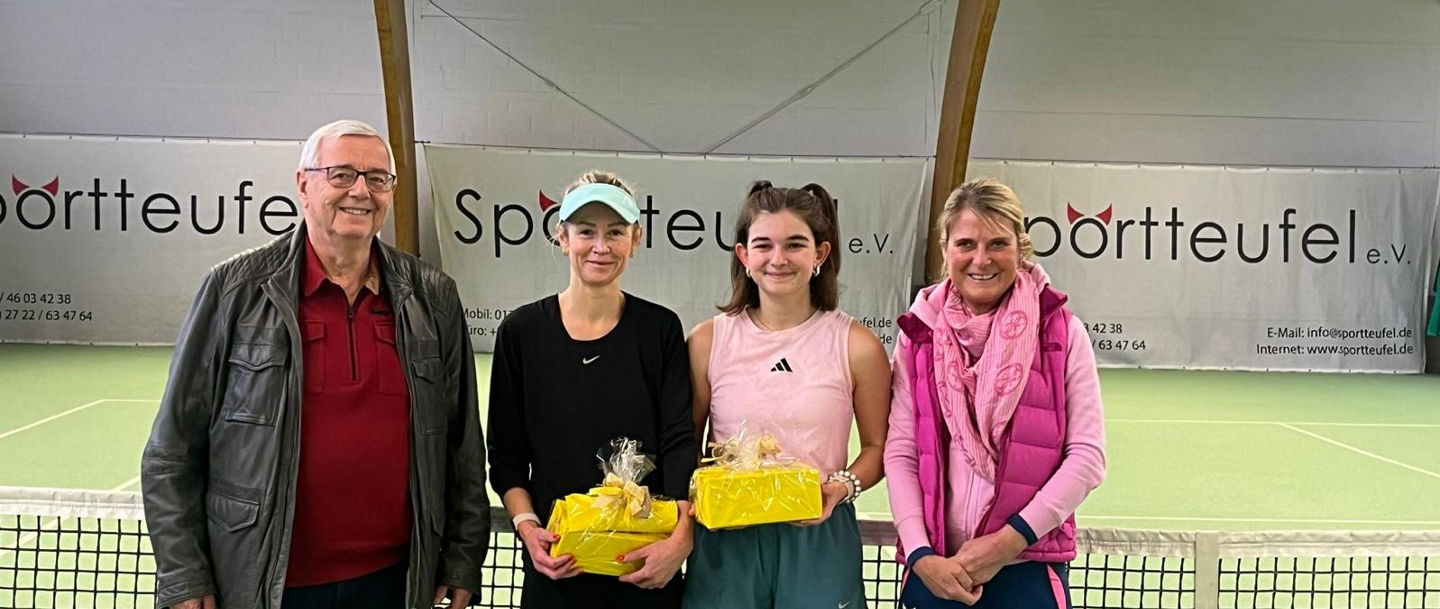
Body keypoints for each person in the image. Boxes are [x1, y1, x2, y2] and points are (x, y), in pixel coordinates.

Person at [141, 120, 490, 609]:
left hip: (399, 582)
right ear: (304, 184)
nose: (361, 191)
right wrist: (184, 575)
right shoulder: (233, 291)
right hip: (267, 585)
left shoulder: (433, 296)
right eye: (342, 174)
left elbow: (462, 448)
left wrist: (461, 558)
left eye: (377, 178)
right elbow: (171, 450)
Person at [885, 177, 1106, 608]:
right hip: (935, 570)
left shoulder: (1062, 333)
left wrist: (1007, 543)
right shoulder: (918, 336)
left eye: (997, 244)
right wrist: (921, 554)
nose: (981, 260)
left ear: (1021, 249)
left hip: (1026, 566)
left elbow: (1087, 458)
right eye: (966, 243)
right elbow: (901, 452)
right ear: (946, 249)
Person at [487, 171, 697, 608]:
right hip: (556, 571)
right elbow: (506, 458)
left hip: (645, 568)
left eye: (615, 232)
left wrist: (679, 540)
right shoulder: (520, 332)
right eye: (586, 232)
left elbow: (679, 442)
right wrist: (530, 531)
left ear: (635, 240)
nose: (601, 247)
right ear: (563, 238)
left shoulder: (660, 329)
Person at [684, 181, 892, 609]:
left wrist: (840, 488)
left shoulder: (857, 345)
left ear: (820, 254)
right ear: (744, 256)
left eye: (795, 244)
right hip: (728, 535)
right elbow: (685, 444)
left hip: (818, 531)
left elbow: (879, 448)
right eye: (763, 245)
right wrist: (703, 497)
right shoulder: (707, 341)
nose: (778, 259)